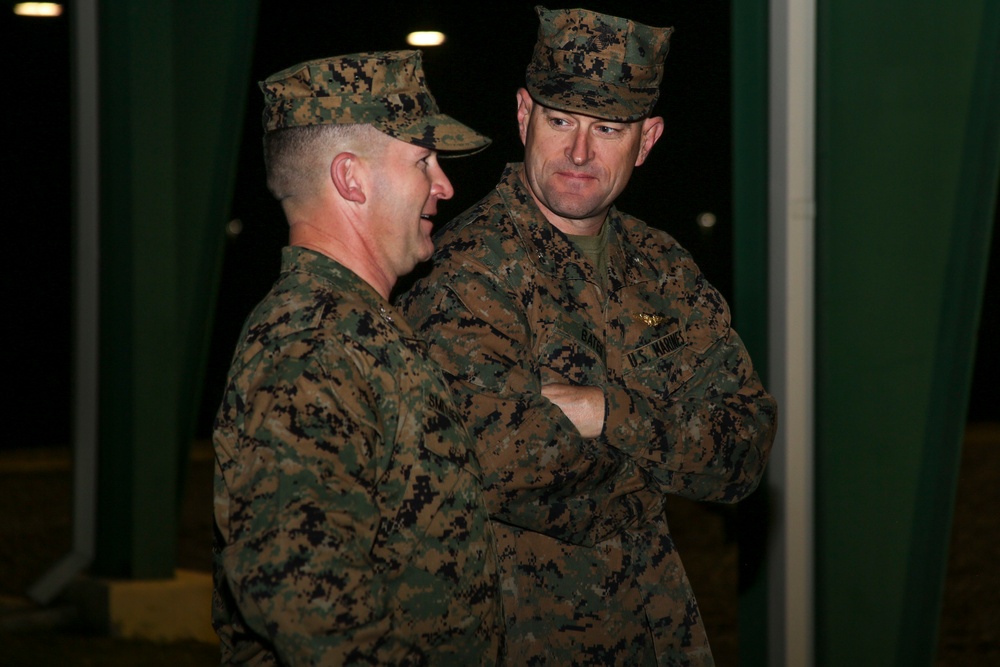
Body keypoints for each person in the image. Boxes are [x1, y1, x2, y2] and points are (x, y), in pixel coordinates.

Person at [399, 7, 778, 666]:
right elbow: (498, 464)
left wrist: (603, 411)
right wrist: (664, 454)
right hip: (519, 636)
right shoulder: (464, 269)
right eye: (560, 121)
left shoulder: (663, 267)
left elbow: (744, 450)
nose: (579, 153)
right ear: (524, 115)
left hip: (657, 631)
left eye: (607, 129)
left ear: (647, 139)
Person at [211, 50, 504, 665]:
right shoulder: (310, 345)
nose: (445, 185)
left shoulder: (358, 327)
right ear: (351, 178)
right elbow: (306, 597)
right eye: (423, 161)